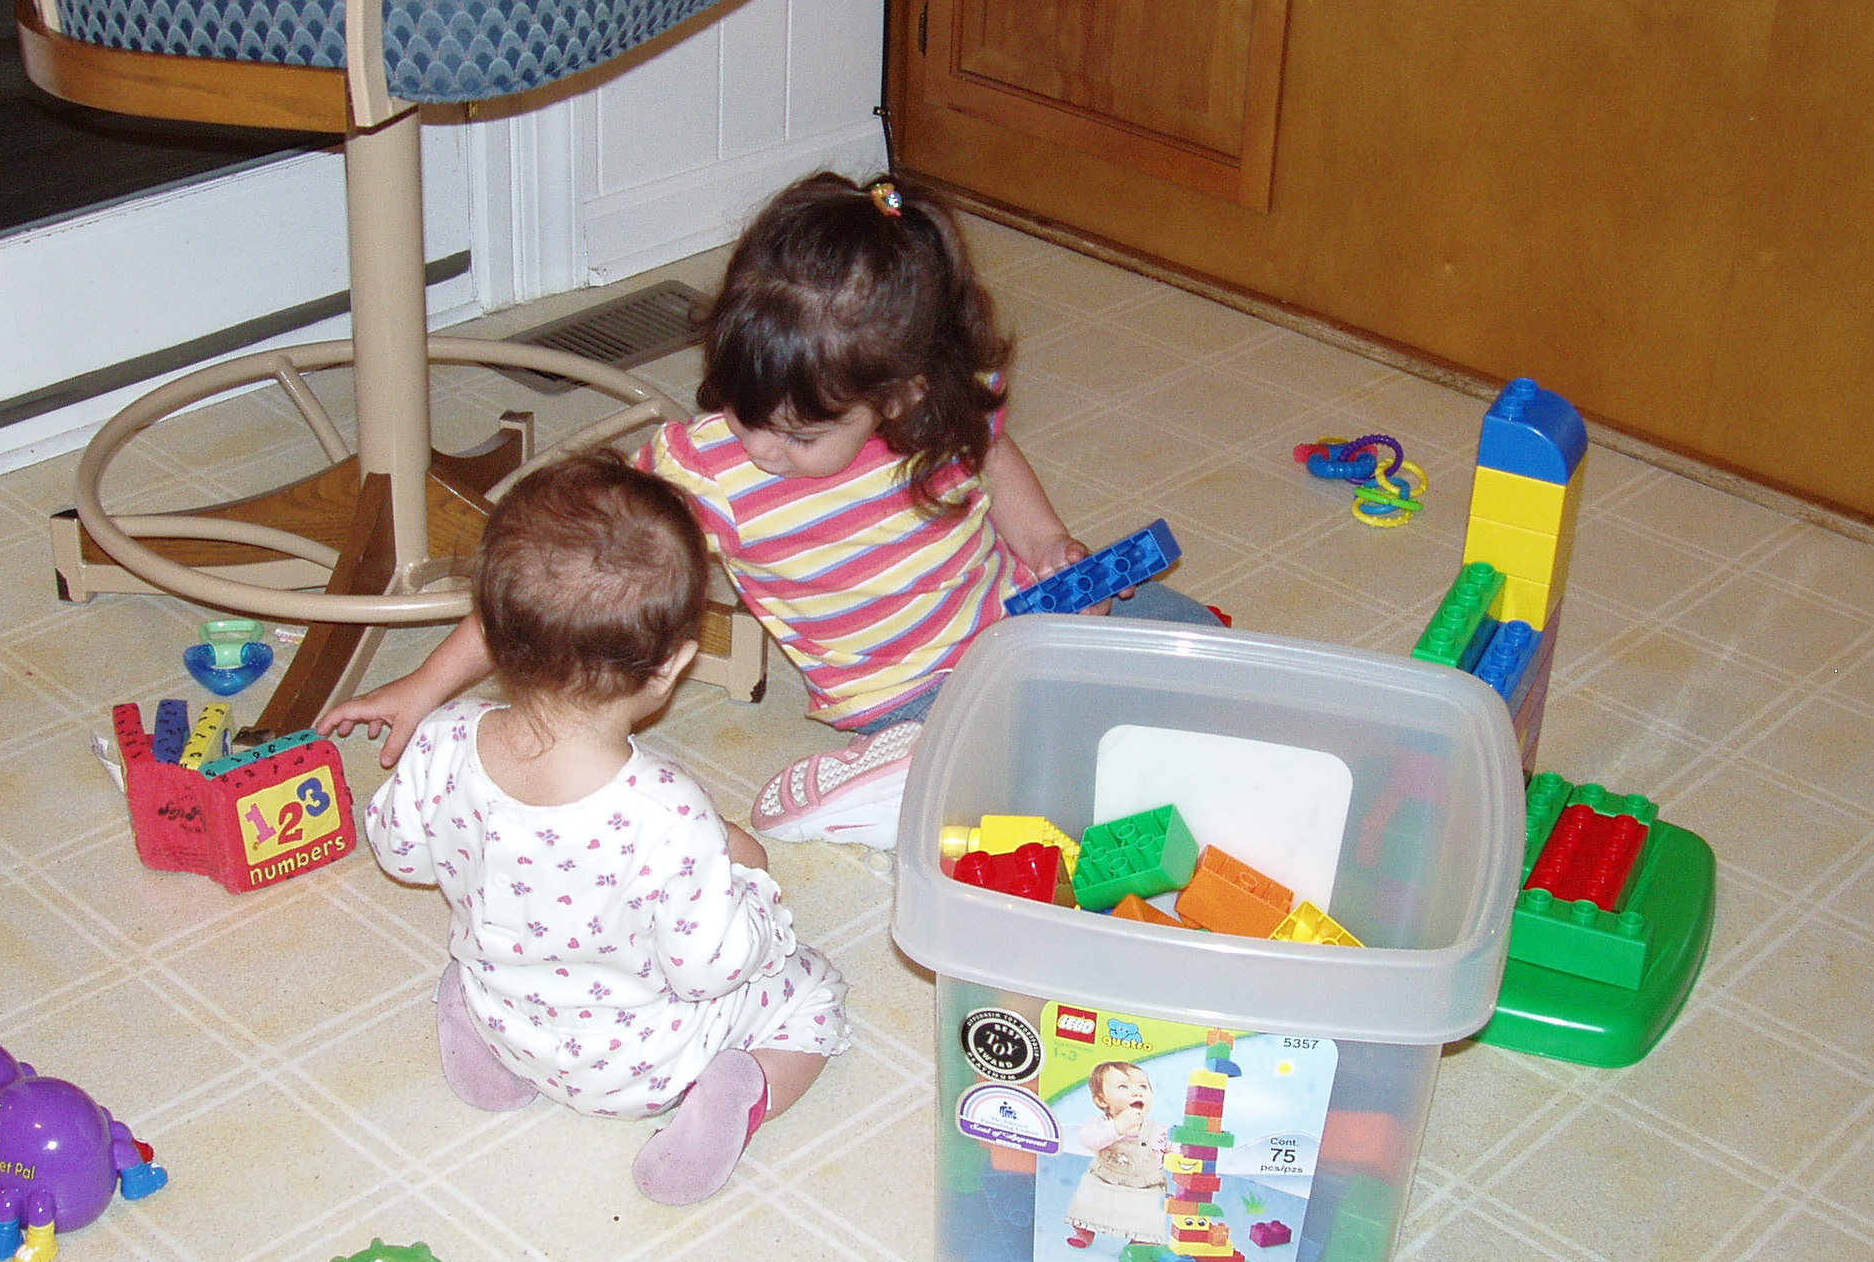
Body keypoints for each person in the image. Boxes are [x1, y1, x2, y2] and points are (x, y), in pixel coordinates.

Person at [322, 168, 1218, 848]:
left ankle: (1034, 706)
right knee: (1045, 774)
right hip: (905, 692)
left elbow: (992, 456)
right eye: (745, 412)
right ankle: (876, 779)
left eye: (796, 434)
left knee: (1195, 646)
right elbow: (559, 570)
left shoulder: (940, 405)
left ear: (900, 395)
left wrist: (1047, 541)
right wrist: (426, 685)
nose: (760, 446)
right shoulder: (709, 470)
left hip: (1012, 612)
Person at [331, 453, 846, 1206]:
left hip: (510, 1015)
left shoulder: (443, 740)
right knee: (816, 992)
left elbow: (400, 852)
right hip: (649, 1067)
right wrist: (749, 876)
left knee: (485, 963)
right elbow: (712, 968)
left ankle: (491, 1055)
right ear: (671, 666)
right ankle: (745, 1091)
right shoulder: (670, 813)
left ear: (496, 635)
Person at [1063, 1061, 1172, 1249]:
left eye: (1143, 1087)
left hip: (1143, 1185)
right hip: (1104, 1178)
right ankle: (1083, 1231)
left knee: (1147, 1213)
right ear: (1101, 1100)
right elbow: (1088, 1140)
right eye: (1123, 1086)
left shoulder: (1158, 1129)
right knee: (1087, 1202)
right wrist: (1118, 1126)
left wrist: (1179, 1154)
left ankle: (1141, 1241)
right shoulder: (1100, 1123)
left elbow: (1170, 1148)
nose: (1137, 1092)